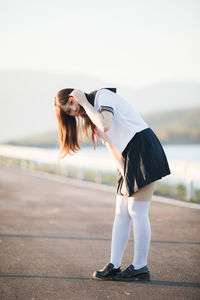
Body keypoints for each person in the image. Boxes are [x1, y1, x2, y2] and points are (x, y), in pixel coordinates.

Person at [54, 87, 171, 282]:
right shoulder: (92, 117)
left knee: (137, 210)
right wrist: (125, 175)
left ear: (74, 98)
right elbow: (111, 146)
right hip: (127, 155)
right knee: (121, 211)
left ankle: (140, 266)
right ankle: (114, 265)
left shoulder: (103, 97)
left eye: (71, 105)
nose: (74, 112)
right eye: (69, 112)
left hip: (142, 147)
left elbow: (106, 124)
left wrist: (83, 102)